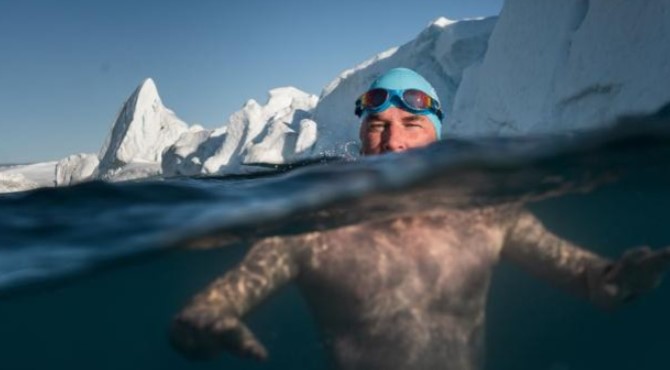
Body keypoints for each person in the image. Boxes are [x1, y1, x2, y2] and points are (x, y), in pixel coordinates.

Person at [169, 68, 670, 370]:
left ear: (437, 136)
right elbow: (207, 308)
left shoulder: (486, 214)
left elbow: (592, 283)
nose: (393, 143)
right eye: (378, 127)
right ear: (360, 139)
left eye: (411, 124)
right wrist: (201, 325)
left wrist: (621, 278)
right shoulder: (318, 229)